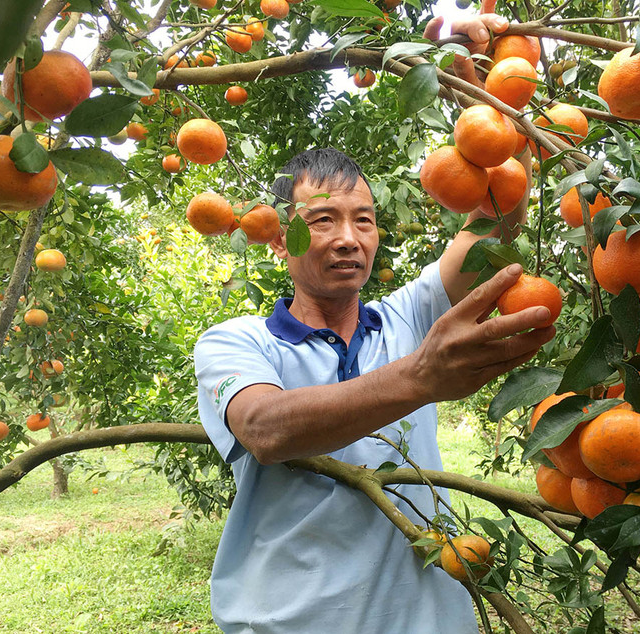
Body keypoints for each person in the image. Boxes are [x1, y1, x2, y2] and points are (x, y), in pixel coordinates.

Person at [194, 13, 555, 634]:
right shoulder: (238, 341)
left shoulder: (411, 317)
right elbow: (267, 429)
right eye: (324, 219)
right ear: (282, 239)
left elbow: (496, 214)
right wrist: (421, 377)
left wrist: (476, 92)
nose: (347, 238)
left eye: (363, 220)